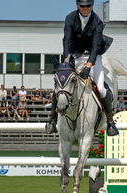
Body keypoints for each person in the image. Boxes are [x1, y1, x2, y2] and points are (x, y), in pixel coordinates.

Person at [45, 0, 119, 136]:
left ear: (91, 6)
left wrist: (89, 65)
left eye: (88, 6)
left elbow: (96, 45)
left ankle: (110, 121)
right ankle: (52, 118)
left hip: (93, 57)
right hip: (74, 56)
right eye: (82, 6)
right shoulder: (70, 18)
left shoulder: (97, 21)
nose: (85, 9)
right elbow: (67, 40)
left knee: (101, 88)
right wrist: (67, 60)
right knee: (62, 84)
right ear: (77, 6)